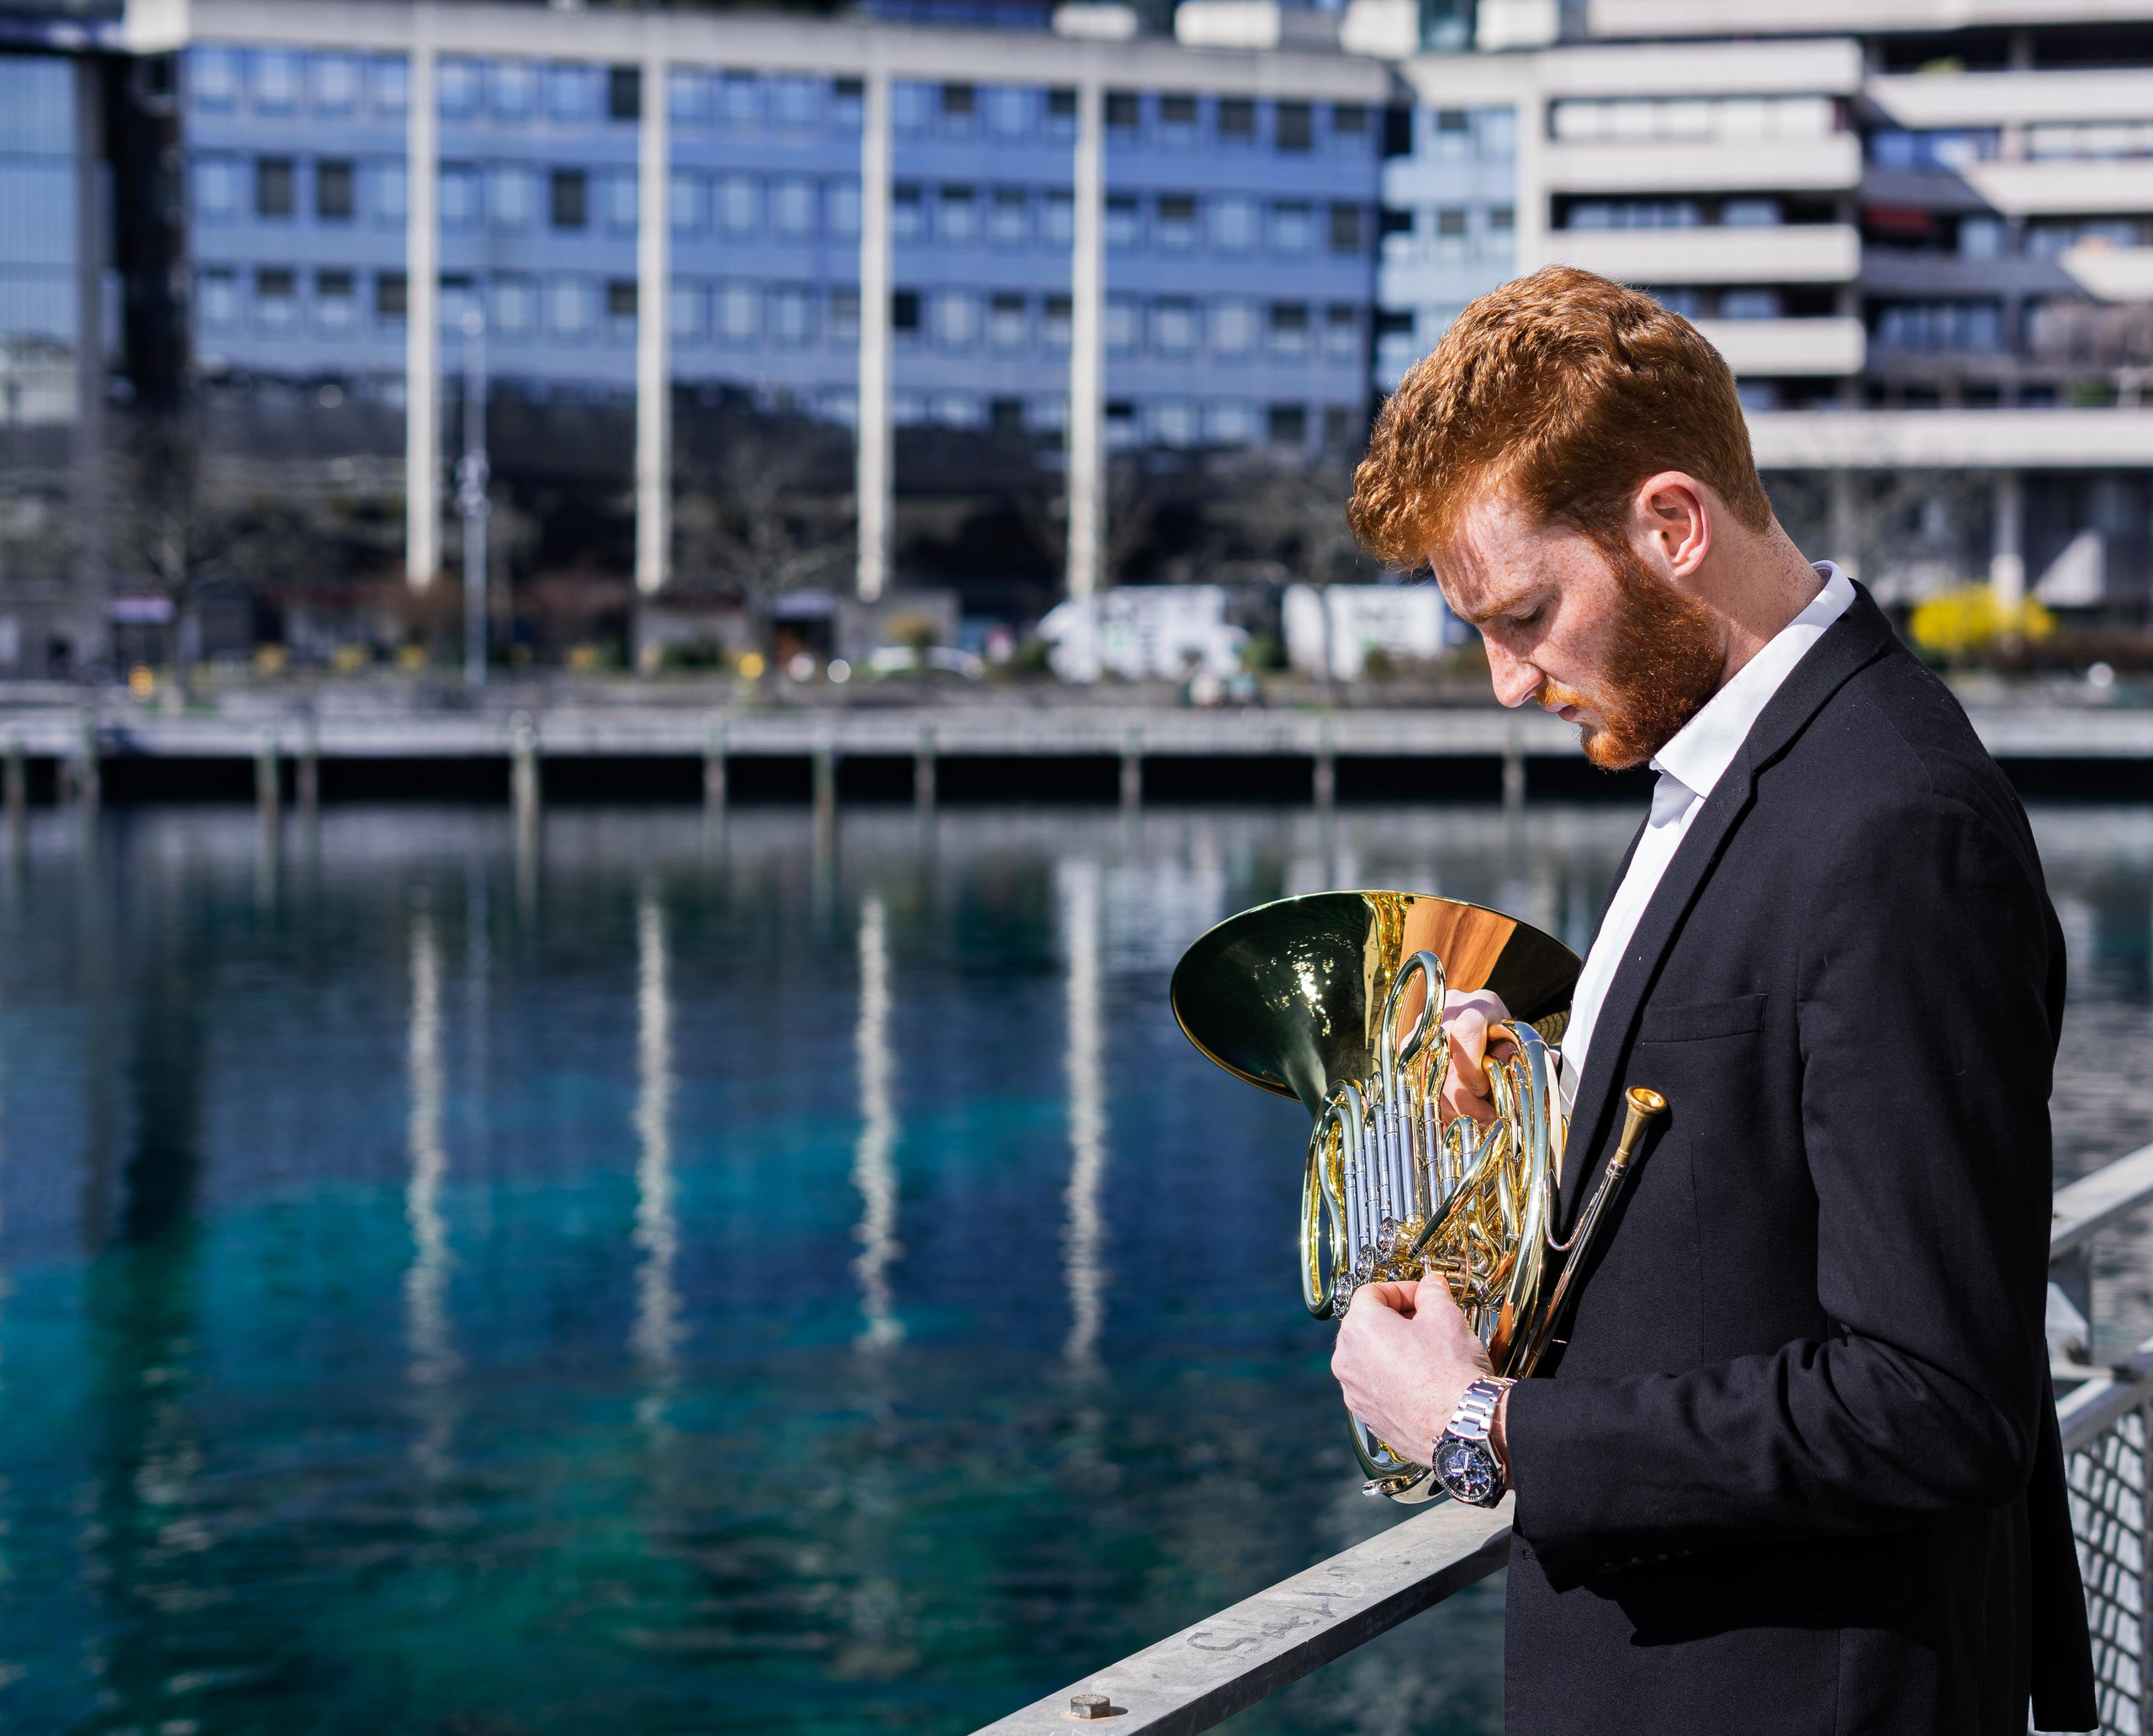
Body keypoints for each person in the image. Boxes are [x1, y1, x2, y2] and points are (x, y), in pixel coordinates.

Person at [1330, 266, 2097, 1735]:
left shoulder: (1892, 824)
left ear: (1672, 525)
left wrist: (1484, 1427)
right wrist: (1556, 1081)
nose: (1504, 680)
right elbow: (1767, 1122)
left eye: (1527, 612)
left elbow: (1937, 1399)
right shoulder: (1741, 752)